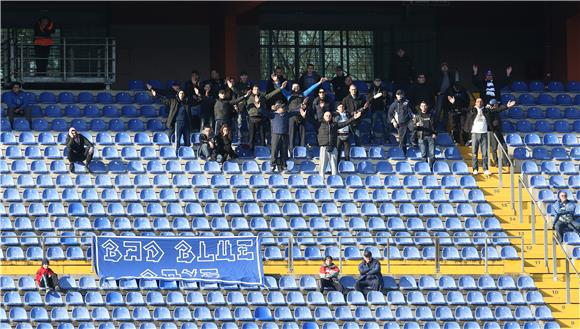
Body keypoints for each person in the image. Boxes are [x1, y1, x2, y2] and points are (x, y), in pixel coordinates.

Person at [303, 105, 363, 178]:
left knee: (334, 168)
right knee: (322, 168)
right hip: (324, 148)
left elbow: (345, 123)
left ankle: (334, 181)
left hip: (333, 148)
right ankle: (322, 182)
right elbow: (310, 120)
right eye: (326, 115)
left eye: (329, 115)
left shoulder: (334, 125)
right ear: (324, 116)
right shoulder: (319, 124)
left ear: (331, 117)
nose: (328, 116)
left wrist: (354, 118)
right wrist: (304, 116)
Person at [281, 78, 327, 152]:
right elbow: (281, 90)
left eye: (297, 87)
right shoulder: (289, 95)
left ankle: (302, 151)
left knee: (302, 136)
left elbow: (311, 88)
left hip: (301, 116)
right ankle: (291, 151)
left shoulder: (303, 94)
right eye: (294, 87)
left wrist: (319, 82)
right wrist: (278, 84)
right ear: (292, 88)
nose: (296, 88)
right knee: (291, 135)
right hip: (292, 117)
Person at [262, 100, 307, 172]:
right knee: (275, 151)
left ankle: (284, 165)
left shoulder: (287, 114)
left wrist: (301, 107)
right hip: (275, 134)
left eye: (283, 107)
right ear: (278, 108)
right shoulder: (273, 115)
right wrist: (259, 106)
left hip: (285, 135)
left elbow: (295, 111)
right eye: (281, 107)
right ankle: (272, 165)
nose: (282, 109)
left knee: (284, 151)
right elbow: (264, 112)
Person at [246, 79, 287, 152]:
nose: (256, 90)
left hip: (261, 118)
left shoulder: (262, 97)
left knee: (262, 136)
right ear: (252, 90)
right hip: (252, 118)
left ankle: (263, 151)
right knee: (251, 136)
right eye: (255, 89)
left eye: (258, 89)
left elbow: (271, 94)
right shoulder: (248, 97)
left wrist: (280, 88)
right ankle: (250, 151)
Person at [149, 84, 192, 151]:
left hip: (186, 123)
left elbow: (196, 101)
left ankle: (188, 152)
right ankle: (177, 151)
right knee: (177, 139)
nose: (181, 95)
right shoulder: (173, 101)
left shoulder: (187, 102)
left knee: (187, 138)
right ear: (178, 94)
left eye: (183, 94)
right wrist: (156, 95)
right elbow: (163, 100)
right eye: (180, 93)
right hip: (178, 122)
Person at [487, 99, 516, 166]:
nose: (498, 105)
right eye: (497, 104)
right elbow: (498, 109)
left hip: (498, 131)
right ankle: (496, 162)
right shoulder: (490, 111)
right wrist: (507, 106)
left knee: (504, 146)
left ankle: (505, 162)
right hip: (493, 131)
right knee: (494, 148)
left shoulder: (495, 111)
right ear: (494, 105)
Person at [388, 90, 413, 156]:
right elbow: (390, 114)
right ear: (396, 95)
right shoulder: (394, 104)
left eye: (401, 94)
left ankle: (413, 142)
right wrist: (393, 122)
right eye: (398, 94)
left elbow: (412, 111)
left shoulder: (407, 102)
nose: (399, 95)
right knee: (402, 141)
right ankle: (403, 154)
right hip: (400, 124)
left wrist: (414, 119)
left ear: (403, 95)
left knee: (415, 129)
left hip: (409, 121)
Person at [413, 101, 437, 170]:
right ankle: (425, 169)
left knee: (432, 154)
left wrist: (435, 133)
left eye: (424, 106)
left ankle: (432, 168)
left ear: (427, 107)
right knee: (423, 155)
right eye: (422, 106)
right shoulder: (417, 116)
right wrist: (416, 125)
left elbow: (435, 125)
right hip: (421, 137)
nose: (423, 107)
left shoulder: (431, 115)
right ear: (420, 107)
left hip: (430, 137)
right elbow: (412, 127)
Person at [435, 62, 459, 131]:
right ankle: (435, 127)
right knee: (438, 111)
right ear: (441, 68)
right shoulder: (438, 75)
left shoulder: (451, 76)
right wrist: (437, 92)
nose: (444, 67)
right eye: (443, 66)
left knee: (446, 112)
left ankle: (443, 127)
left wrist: (451, 94)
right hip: (440, 96)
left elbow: (453, 85)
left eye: (446, 66)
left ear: (447, 67)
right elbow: (434, 84)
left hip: (448, 96)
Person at [368, 78, 388, 144]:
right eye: (376, 81)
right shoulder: (371, 89)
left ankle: (386, 139)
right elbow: (369, 100)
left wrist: (381, 95)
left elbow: (385, 96)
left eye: (379, 81)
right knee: (372, 126)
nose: (377, 82)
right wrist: (375, 97)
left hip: (382, 109)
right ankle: (371, 139)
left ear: (381, 81)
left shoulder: (384, 89)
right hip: (374, 110)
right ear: (374, 82)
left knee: (385, 125)